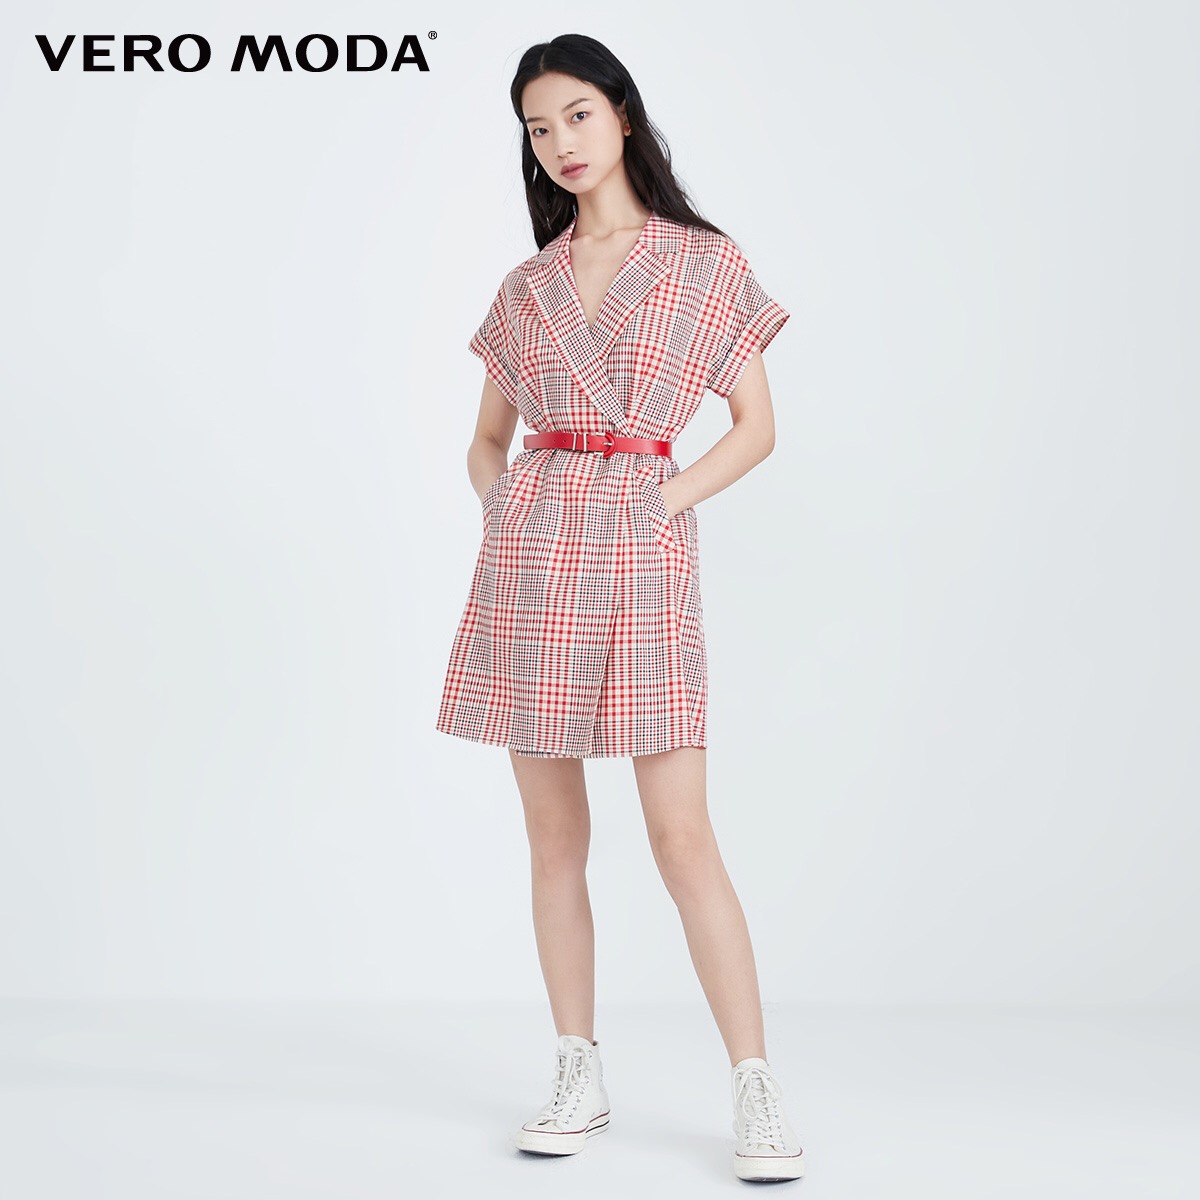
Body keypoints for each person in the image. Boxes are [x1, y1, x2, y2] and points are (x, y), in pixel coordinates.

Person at [436, 33, 804, 1182]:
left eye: (578, 115)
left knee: (681, 836)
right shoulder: (527, 286)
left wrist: (662, 500)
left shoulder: (703, 262)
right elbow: (485, 440)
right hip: (535, 559)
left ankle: (755, 1086)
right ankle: (577, 1070)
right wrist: (507, 505)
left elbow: (755, 426)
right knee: (556, 838)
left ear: (625, 115)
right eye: (539, 128)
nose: (561, 142)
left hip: (643, 550)